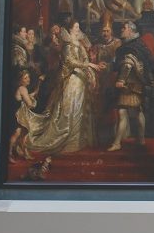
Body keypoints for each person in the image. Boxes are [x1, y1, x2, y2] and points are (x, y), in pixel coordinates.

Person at [25, 20, 102, 155]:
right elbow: (69, 61)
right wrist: (88, 65)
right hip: (72, 79)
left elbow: (84, 59)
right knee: (70, 108)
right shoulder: (67, 45)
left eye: (79, 27)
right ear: (70, 29)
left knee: (80, 108)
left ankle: (79, 141)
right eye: (76, 27)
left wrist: (90, 69)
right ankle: (68, 139)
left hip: (81, 80)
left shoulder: (79, 44)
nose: (78, 29)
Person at [107, 22, 151, 151]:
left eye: (124, 28)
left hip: (131, 85)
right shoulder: (132, 46)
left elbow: (127, 64)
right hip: (132, 85)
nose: (122, 30)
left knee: (129, 112)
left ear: (131, 31)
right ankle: (135, 140)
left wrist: (121, 80)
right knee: (133, 112)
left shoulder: (133, 47)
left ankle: (119, 142)